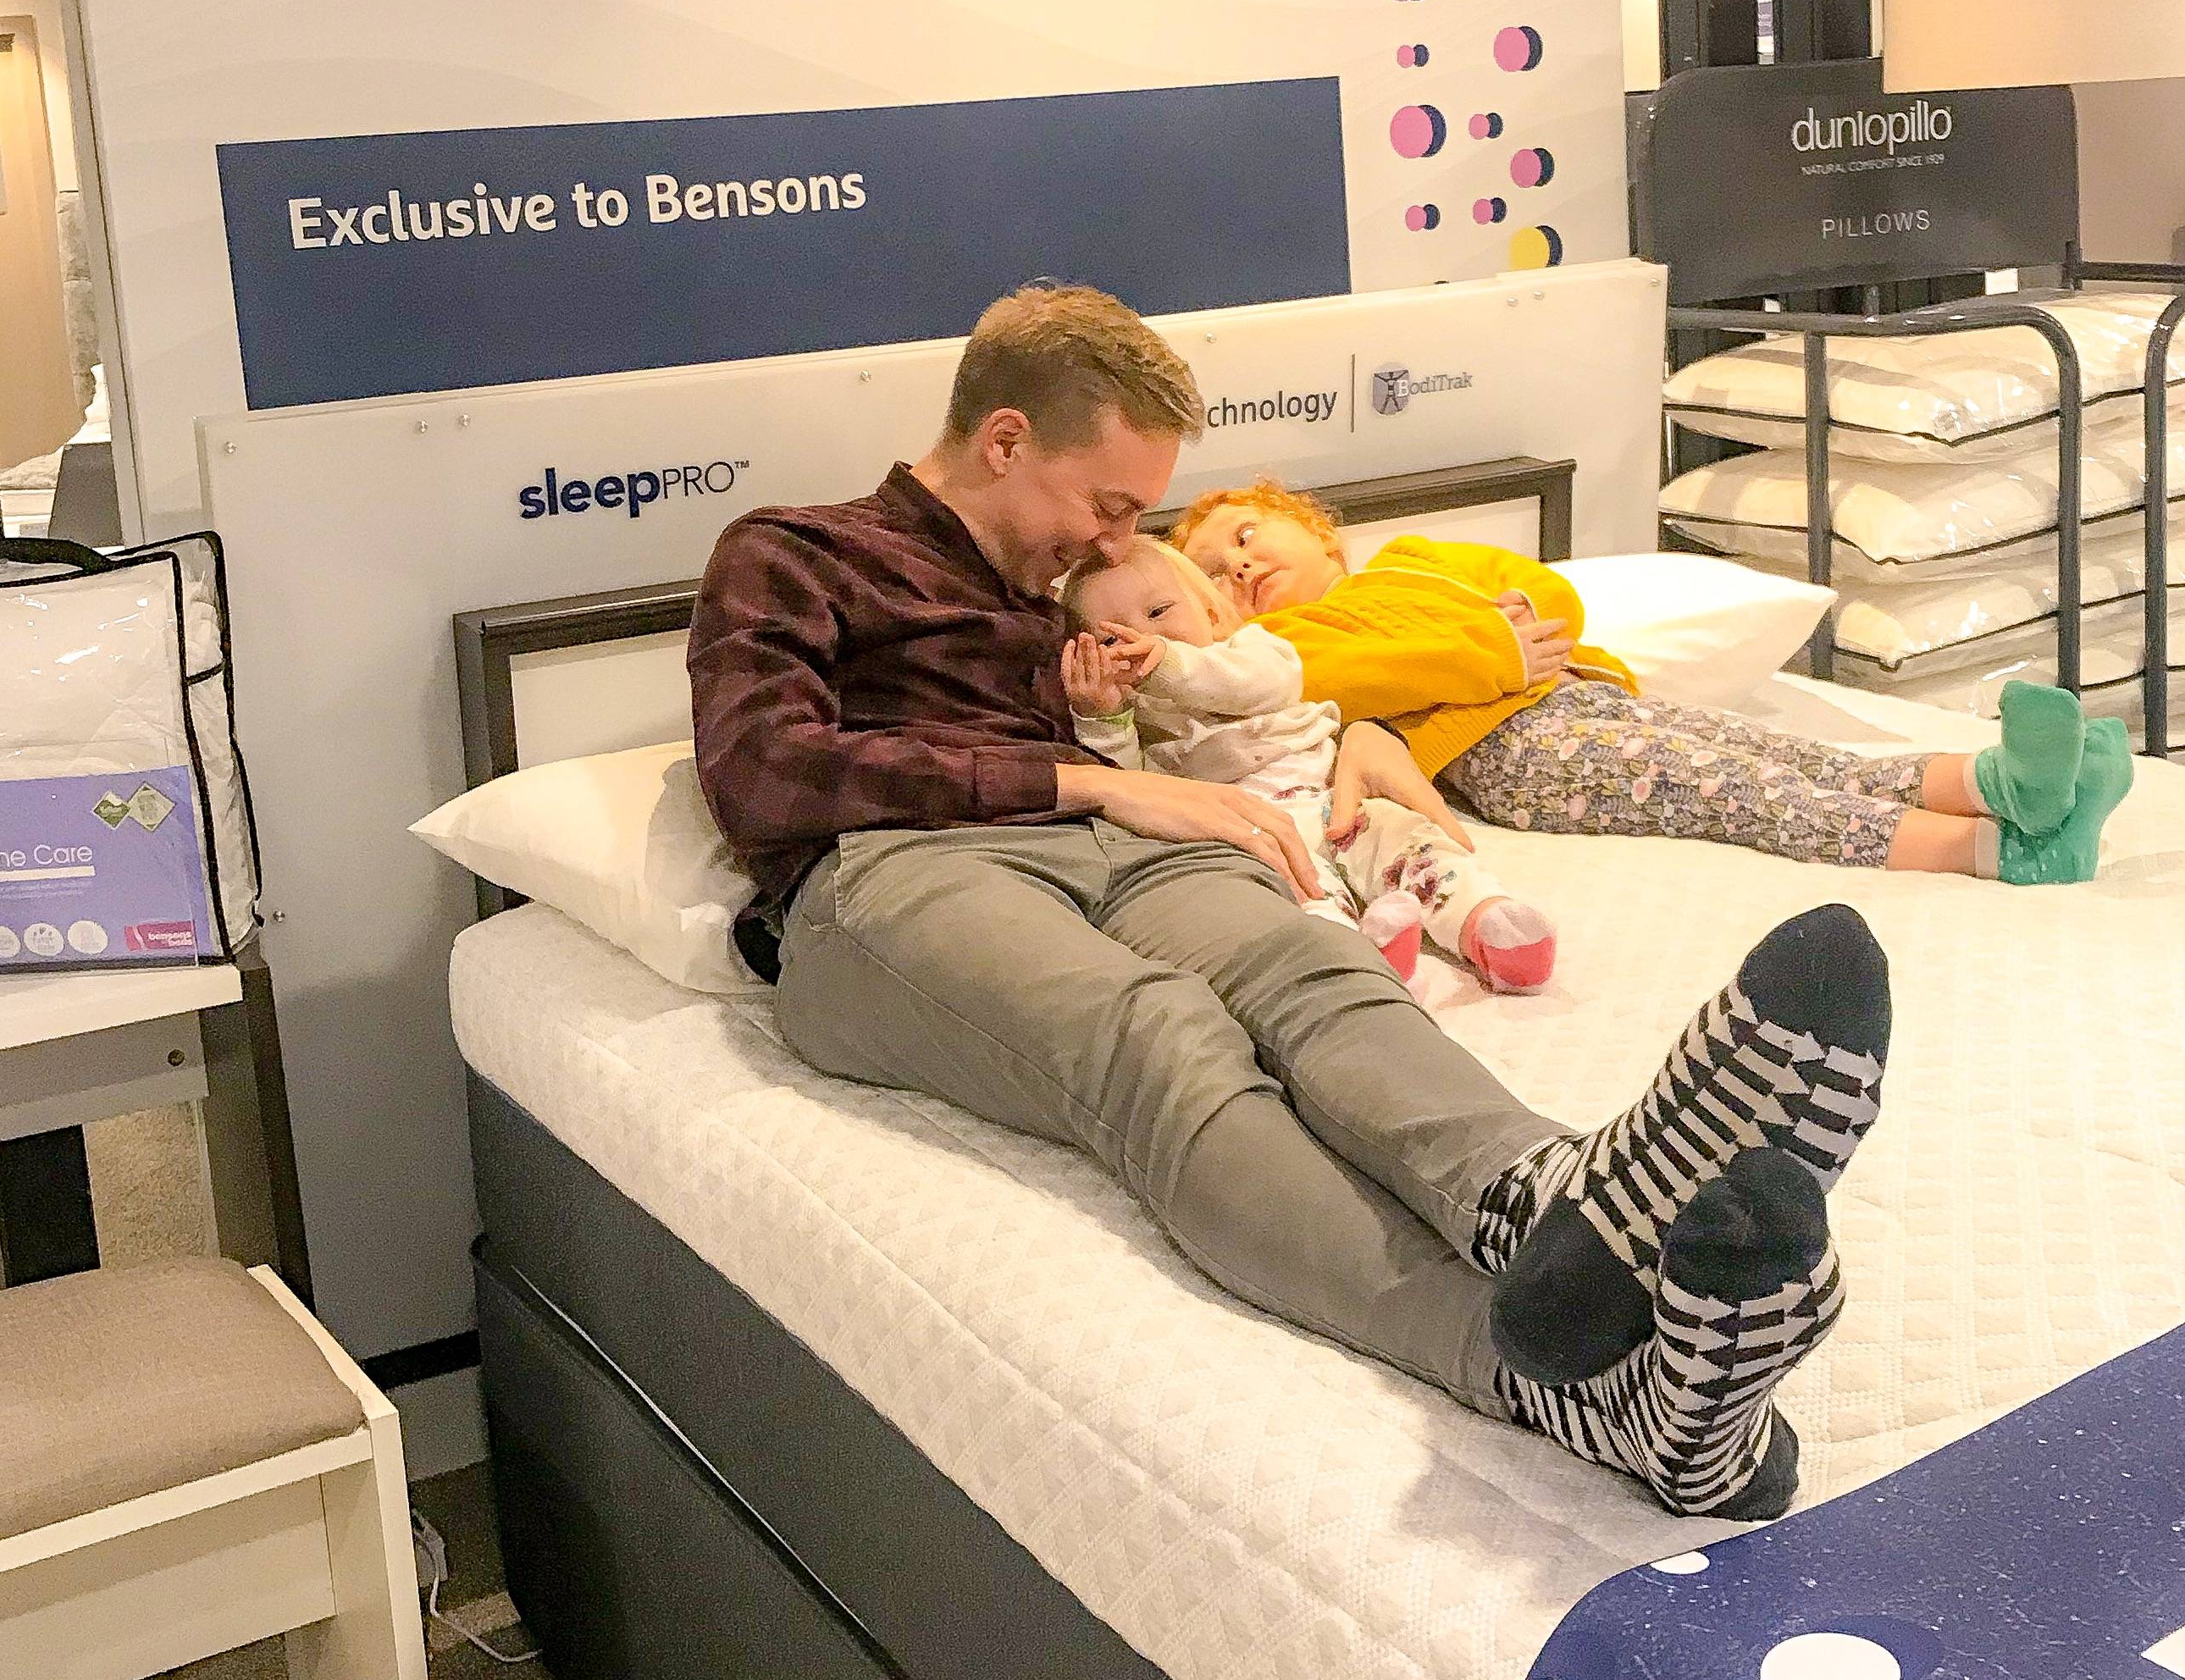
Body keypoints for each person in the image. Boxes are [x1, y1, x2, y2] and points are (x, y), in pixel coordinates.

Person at [688, 284, 1892, 1517]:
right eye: (1104, 503)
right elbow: (761, 770)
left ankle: (1542, 1196)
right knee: (1155, 1033)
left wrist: (1268, 754)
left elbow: (1255, 682)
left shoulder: (1065, 591)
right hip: (890, 873)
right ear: (1003, 440)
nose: (1113, 541)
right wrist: (1078, 783)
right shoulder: (793, 552)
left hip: (1111, 831)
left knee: (1312, 972)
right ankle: (1537, 1370)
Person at [1172, 479, 2132, 888]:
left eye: (1246, 536)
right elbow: (1365, 673)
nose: (1238, 567)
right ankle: (2000, 853)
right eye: (1210, 573)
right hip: (1510, 751)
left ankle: (2010, 789)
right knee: (1746, 797)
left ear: (1308, 525)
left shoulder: (1420, 557)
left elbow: (1550, 595)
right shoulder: (1287, 646)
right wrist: (1491, 647)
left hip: (1585, 697)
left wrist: (1516, 615)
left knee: (1789, 753)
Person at [1058, 534, 1558, 992]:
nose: (1138, 638)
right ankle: (1361, 960)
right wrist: (1104, 716)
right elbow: (1132, 789)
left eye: (1159, 611)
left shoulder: (1255, 649)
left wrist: (1168, 663)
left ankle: (1490, 924)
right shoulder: (1140, 712)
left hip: (1328, 801)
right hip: (1252, 829)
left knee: (1409, 838)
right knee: (1292, 894)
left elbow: (1250, 684)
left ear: (1210, 613)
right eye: (1109, 639)